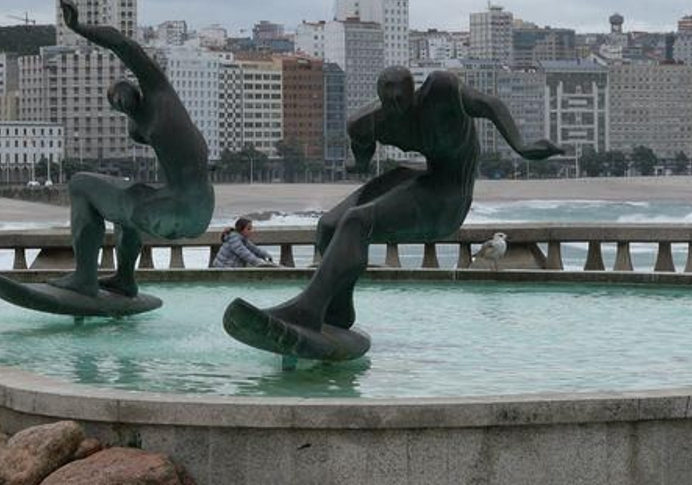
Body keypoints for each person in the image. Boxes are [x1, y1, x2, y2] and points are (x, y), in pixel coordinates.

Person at [227, 67, 562, 349]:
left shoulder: (443, 91)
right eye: (388, 98)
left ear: (413, 91)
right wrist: (358, 166)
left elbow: (490, 104)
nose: (396, 103)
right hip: (422, 179)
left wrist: (522, 146)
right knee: (329, 226)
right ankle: (337, 310)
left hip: (449, 197)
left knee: (358, 221)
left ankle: (307, 309)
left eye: (401, 96)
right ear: (379, 96)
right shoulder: (367, 123)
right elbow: (362, 152)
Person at [47, 0, 215, 298]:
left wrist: (78, 26)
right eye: (114, 101)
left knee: (81, 184)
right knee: (131, 195)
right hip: (195, 209)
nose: (117, 98)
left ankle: (84, 278)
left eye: (119, 91)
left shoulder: (159, 93)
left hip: (179, 208)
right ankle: (125, 279)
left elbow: (124, 45)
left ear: (135, 86)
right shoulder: (143, 121)